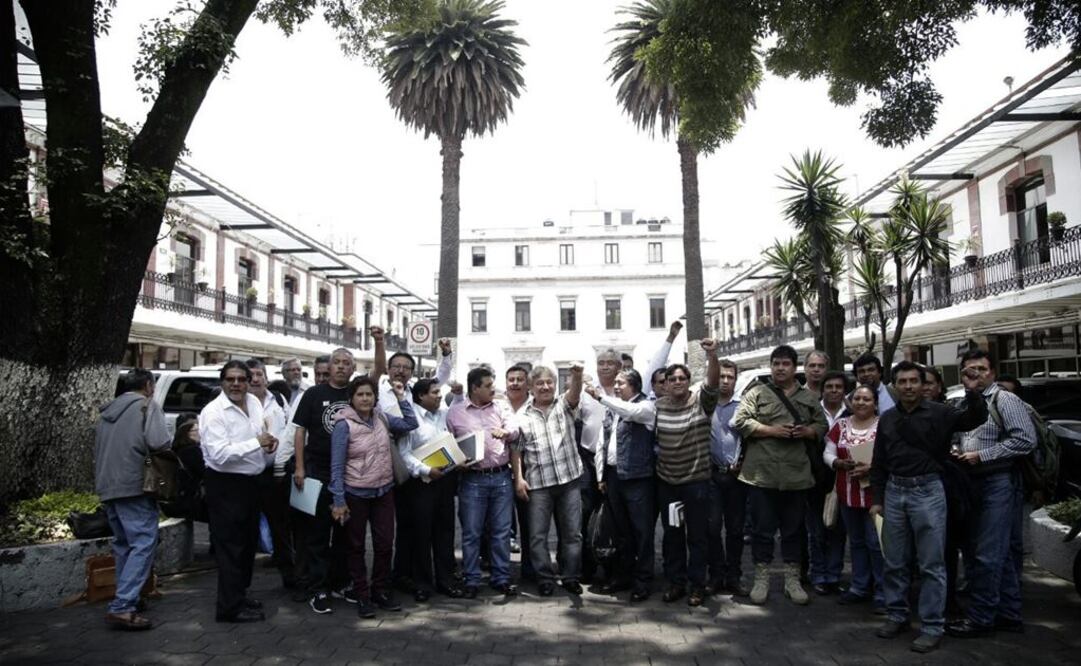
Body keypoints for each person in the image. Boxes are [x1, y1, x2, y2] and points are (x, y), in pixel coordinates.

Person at [869, 361, 987, 654]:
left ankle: (932, 625)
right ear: (894, 385)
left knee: (931, 564)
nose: (908, 386)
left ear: (923, 385)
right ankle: (896, 615)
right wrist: (877, 498)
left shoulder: (941, 413)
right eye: (902, 381)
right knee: (895, 561)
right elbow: (879, 462)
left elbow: (974, 419)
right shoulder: (886, 418)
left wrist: (974, 392)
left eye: (913, 381)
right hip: (895, 492)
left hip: (928, 491)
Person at [946, 350, 1036, 639]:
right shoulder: (962, 401)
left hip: (997, 481)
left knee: (986, 554)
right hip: (970, 483)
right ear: (962, 374)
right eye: (970, 369)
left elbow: (1025, 440)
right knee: (995, 553)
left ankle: (982, 618)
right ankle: (1009, 614)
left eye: (982, 368)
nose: (976, 373)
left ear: (993, 373)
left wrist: (981, 456)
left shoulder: (1005, 399)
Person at [735, 344, 827, 607]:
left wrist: (807, 433)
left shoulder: (808, 397)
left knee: (794, 530)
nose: (780, 368)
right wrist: (771, 430)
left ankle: (792, 580)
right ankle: (761, 579)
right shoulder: (757, 393)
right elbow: (741, 422)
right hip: (761, 475)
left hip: (796, 475)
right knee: (762, 531)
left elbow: (822, 425)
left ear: (794, 367)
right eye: (776, 363)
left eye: (785, 364)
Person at [329, 376, 418, 618]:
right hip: (355, 493)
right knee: (356, 547)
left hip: (384, 491)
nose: (366, 399)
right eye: (360, 395)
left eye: (369, 394)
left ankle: (380, 590)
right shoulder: (343, 425)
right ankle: (362, 595)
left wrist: (401, 397)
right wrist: (338, 501)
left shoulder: (381, 417)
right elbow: (336, 466)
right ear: (351, 398)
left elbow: (411, 424)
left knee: (384, 544)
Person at [199, 361, 278, 623]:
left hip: (251, 484)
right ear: (222, 382)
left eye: (241, 379)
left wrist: (266, 443)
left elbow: (259, 434)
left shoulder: (253, 403)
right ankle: (228, 608)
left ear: (248, 381)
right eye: (230, 379)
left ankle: (238, 595)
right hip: (225, 485)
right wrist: (255, 443)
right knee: (230, 547)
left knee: (246, 546)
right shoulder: (213, 412)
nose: (236, 384)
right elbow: (220, 455)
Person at [293, 346, 370, 614]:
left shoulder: (356, 394)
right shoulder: (313, 394)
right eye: (335, 362)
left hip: (351, 474)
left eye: (345, 363)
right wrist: (300, 467)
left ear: (352, 368)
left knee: (344, 532)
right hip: (318, 472)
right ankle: (319, 588)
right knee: (317, 533)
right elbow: (300, 431)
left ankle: (341, 582)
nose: (340, 367)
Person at [94, 369, 171, 630]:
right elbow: (159, 441)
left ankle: (129, 599)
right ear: (149, 385)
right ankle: (123, 606)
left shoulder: (107, 411)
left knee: (124, 545)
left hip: (108, 485)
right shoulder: (147, 406)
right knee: (143, 542)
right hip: (135, 485)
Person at [655, 339, 721, 607]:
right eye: (672, 379)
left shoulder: (702, 403)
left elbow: (713, 382)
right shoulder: (657, 407)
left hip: (696, 483)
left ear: (688, 381)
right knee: (672, 536)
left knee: (697, 537)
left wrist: (712, 355)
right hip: (668, 483)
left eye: (683, 378)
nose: (678, 382)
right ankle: (676, 583)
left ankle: (697, 586)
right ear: (666, 384)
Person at [447, 366, 520, 597]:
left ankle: (501, 578)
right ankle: (472, 579)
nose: (493, 389)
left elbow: (515, 429)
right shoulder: (455, 413)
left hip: (500, 477)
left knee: (501, 532)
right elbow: (446, 442)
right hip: (472, 479)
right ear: (475, 388)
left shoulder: (501, 407)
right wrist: (455, 461)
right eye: (488, 386)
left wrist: (506, 433)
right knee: (471, 533)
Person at [512, 365, 585, 596]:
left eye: (549, 382)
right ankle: (544, 578)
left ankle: (571, 576)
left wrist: (577, 375)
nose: (545, 387)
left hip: (569, 481)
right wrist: (519, 479)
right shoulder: (521, 416)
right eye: (540, 383)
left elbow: (575, 394)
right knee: (537, 536)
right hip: (538, 485)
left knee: (572, 533)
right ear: (531, 388)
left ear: (555, 384)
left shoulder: (563, 405)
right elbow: (516, 450)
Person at [589, 368, 657, 601]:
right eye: (615, 383)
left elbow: (632, 412)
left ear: (635, 385)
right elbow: (602, 443)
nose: (616, 387)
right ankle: (623, 575)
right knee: (621, 532)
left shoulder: (646, 406)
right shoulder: (612, 408)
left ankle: (644, 580)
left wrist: (601, 397)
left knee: (642, 532)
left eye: (621, 383)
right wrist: (601, 476)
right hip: (614, 477)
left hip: (638, 478)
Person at [400, 378, 465, 601]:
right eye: (435, 392)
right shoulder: (410, 418)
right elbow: (404, 454)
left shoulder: (443, 414)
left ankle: (446, 580)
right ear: (421, 396)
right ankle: (422, 583)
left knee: (445, 532)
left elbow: (458, 410)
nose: (439, 395)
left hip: (445, 482)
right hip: (421, 484)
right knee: (421, 534)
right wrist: (425, 470)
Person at [824, 384, 885, 613]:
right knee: (857, 543)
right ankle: (859, 587)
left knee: (876, 544)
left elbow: (891, 455)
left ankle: (882, 592)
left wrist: (872, 467)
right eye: (857, 398)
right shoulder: (841, 426)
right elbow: (827, 453)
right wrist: (837, 463)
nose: (861, 402)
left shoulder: (884, 426)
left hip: (875, 496)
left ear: (875, 403)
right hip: (847, 495)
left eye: (866, 399)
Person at [247, 359, 294, 588]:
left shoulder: (278, 400)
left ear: (266, 377)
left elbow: (288, 431)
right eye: (251, 375)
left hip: (273, 473)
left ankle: (289, 575)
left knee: (281, 525)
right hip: (246, 475)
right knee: (246, 526)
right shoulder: (239, 404)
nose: (256, 379)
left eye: (259, 374)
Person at [707, 359, 749, 597]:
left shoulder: (743, 406)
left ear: (735, 379)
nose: (724, 381)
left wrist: (743, 461)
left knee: (735, 530)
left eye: (729, 377)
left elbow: (751, 438)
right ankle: (715, 575)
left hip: (736, 477)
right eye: (721, 376)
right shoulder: (705, 404)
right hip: (711, 474)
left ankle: (734, 576)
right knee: (712, 528)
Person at [806, 370, 848, 596]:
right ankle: (818, 574)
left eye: (838, 387)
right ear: (822, 390)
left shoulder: (852, 413)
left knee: (838, 531)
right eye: (829, 387)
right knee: (816, 531)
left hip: (844, 479)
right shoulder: (811, 412)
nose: (834, 391)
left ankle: (834, 575)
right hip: (815, 479)